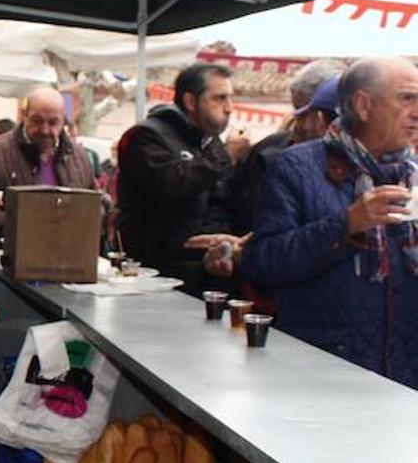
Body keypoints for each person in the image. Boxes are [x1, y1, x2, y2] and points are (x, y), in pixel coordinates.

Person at [240, 57, 418, 390]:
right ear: (363, 105)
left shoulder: (413, 173)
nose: (417, 111)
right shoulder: (295, 167)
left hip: (406, 378)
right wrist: (347, 223)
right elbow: (262, 264)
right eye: (407, 98)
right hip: (323, 372)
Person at [116, 62, 242, 291]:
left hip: (203, 272)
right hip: (151, 275)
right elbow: (169, 186)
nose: (229, 108)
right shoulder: (147, 136)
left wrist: (218, 240)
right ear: (191, 101)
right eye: (219, 98)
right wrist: (225, 158)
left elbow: (221, 201)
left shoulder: (213, 144)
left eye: (230, 98)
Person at [0, 86, 97, 248]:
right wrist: (33, 232)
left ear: (63, 120)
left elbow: (94, 205)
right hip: (7, 260)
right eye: (37, 121)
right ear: (24, 116)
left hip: (68, 259)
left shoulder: (79, 158)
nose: (45, 129)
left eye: (53, 122)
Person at [229, 59, 347, 235]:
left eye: (305, 114)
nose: (298, 126)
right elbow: (226, 204)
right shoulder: (268, 151)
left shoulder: (365, 171)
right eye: (296, 113)